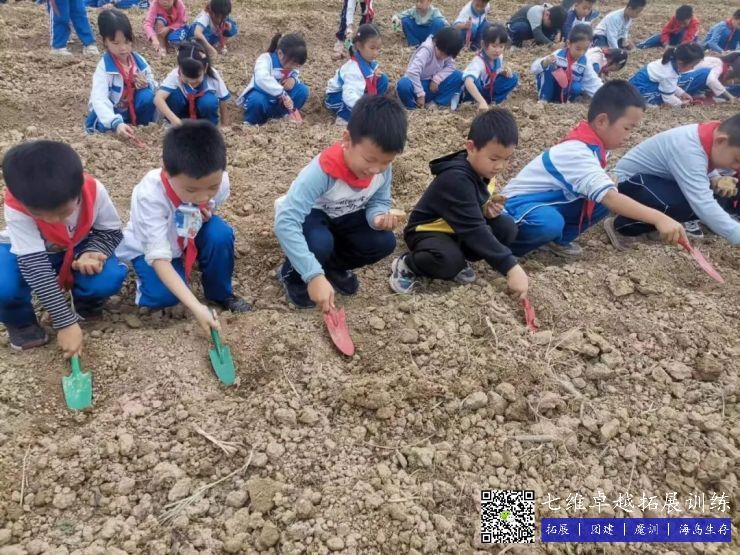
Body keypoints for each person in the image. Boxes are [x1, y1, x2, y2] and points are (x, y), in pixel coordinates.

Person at [501, 80, 685, 258]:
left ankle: (554, 241)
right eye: (627, 128)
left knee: (603, 198)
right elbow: (611, 198)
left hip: (548, 201)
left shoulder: (595, 147)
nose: (629, 136)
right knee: (551, 222)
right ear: (602, 121)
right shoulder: (576, 151)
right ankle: (505, 250)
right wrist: (659, 218)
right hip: (516, 205)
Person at [274, 96, 407, 310]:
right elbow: (286, 222)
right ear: (347, 140)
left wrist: (378, 217)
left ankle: (331, 268)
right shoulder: (322, 172)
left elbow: (379, 200)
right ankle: (294, 277)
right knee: (319, 243)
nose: (376, 169)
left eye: (386, 161)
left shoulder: (382, 170)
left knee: (383, 242)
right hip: (314, 215)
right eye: (369, 160)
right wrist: (313, 275)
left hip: (346, 214)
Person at [116, 121, 250, 334]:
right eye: (192, 190)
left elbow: (209, 203)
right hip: (156, 246)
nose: (203, 196)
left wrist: (203, 209)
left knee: (220, 235)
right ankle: (144, 275)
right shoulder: (150, 196)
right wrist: (196, 307)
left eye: (212, 188)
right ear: (167, 171)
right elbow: (160, 259)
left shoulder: (219, 179)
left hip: (190, 231)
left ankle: (220, 293)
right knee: (162, 296)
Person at [0, 141, 127, 353]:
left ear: (78, 191)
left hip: (76, 247)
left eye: (63, 213)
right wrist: (65, 322)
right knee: (4, 286)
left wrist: (93, 251)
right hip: (28, 252)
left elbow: (111, 231)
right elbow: (34, 264)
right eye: (40, 215)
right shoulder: (17, 205)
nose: (53, 221)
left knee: (107, 276)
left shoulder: (93, 191)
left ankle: (87, 302)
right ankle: (21, 322)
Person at [389, 108, 528, 299]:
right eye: (494, 159)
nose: (500, 166)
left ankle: (458, 258)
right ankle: (408, 264)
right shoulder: (456, 179)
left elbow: (471, 212)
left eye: (506, 159)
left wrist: (485, 210)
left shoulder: (484, 171)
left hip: (457, 230)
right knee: (448, 262)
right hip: (429, 231)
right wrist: (511, 267)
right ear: (471, 147)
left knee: (505, 227)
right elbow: (474, 229)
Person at [605, 114, 740, 248]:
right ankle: (625, 225)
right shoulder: (689, 148)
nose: (736, 167)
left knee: (725, 192)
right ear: (721, 141)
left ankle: (709, 220)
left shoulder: (713, 135)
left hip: (661, 181)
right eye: (736, 160)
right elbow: (702, 201)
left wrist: (715, 177)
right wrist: (735, 234)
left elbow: (702, 163)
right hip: (630, 183)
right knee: (688, 204)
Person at [85, 9, 157, 136]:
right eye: (116, 43)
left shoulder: (138, 62)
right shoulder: (104, 67)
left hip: (132, 107)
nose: (123, 48)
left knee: (147, 96)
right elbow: (99, 98)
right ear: (105, 41)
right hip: (113, 111)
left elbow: (154, 83)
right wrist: (115, 122)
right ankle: (118, 126)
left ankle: (142, 127)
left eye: (127, 42)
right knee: (102, 123)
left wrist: (146, 84)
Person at [236, 34, 309, 126]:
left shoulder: (291, 65)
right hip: (264, 98)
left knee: (302, 90)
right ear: (280, 53)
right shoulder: (265, 59)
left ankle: (284, 116)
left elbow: (295, 72)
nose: (294, 67)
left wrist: (293, 79)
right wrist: (282, 93)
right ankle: (252, 123)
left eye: (297, 65)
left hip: (280, 103)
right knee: (256, 99)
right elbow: (261, 78)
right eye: (293, 63)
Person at [155, 41, 231, 126]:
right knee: (173, 97)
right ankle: (172, 125)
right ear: (180, 69)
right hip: (180, 116)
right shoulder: (175, 75)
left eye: (197, 80)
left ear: (205, 68)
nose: (192, 83)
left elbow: (223, 100)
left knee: (209, 102)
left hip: (202, 114)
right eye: (187, 80)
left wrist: (224, 125)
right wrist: (174, 120)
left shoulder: (213, 76)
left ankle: (209, 127)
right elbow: (158, 98)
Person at [326, 24, 389, 125]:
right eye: (372, 48)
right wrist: (364, 107)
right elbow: (348, 96)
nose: (375, 53)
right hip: (339, 96)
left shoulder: (366, 59)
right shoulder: (354, 71)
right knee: (362, 119)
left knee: (382, 79)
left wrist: (375, 72)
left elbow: (372, 67)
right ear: (359, 46)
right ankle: (343, 117)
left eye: (378, 49)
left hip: (356, 90)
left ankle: (373, 104)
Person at [396, 26, 464, 110]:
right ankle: (412, 106)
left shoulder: (446, 51)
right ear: (435, 42)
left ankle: (437, 103)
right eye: (441, 53)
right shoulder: (426, 49)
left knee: (458, 76)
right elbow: (412, 73)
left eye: (447, 55)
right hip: (417, 84)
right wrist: (420, 94)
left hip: (432, 86)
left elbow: (451, 66)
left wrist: (437, 78)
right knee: (403, 84)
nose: (443, 57)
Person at [532, 24, 602, 103]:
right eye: (578, 49)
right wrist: (545, 62)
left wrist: (605, 94)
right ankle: (544, 99)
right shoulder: (559, 55)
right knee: (548, 68)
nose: (581, 53)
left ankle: (566, 102)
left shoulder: (584, 63)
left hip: (566, 91)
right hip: (552, 86)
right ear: (569, 43)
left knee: (577, 87)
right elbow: (534, 68)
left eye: (585, 50)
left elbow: (593, 81)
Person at [461, 23, 519, 109]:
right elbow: (468, 82)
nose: (497, 50)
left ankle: (493, 100)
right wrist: (481, 101)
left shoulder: (499, 57)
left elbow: (494, 72)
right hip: (475, 90)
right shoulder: (478, 62)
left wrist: (502, 72)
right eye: (494, 46)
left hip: (488, 88)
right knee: (475, 81)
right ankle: (478, 101)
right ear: (483, 44)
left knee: (513, 78)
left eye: (501, 46)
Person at [628, 43, 704, 106]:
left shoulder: (671, 60)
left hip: (636, 85)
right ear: (681, 62)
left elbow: (669, 85)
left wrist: (682, 94)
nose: (693, 68)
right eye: (692, 65)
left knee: (668, 92)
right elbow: (668, 98)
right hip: (639, 90)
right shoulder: (669, 73)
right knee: (661, 100)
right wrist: (681, 103)